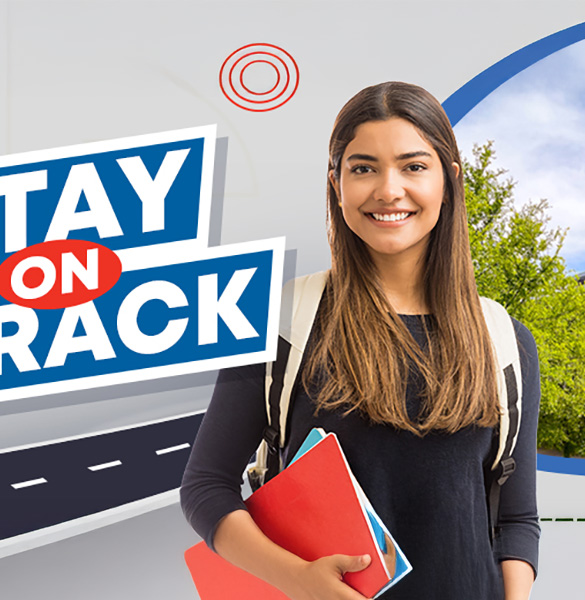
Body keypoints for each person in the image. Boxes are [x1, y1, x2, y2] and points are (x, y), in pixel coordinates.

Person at [181, 81, 540, 600]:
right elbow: (205, 488)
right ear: (337, 184)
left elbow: (516, 519)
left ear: (448, 180)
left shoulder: (505, 340)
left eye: (413, 166)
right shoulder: (279, 323)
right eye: (364, 168)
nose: (388, 190)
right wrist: (298, 579)